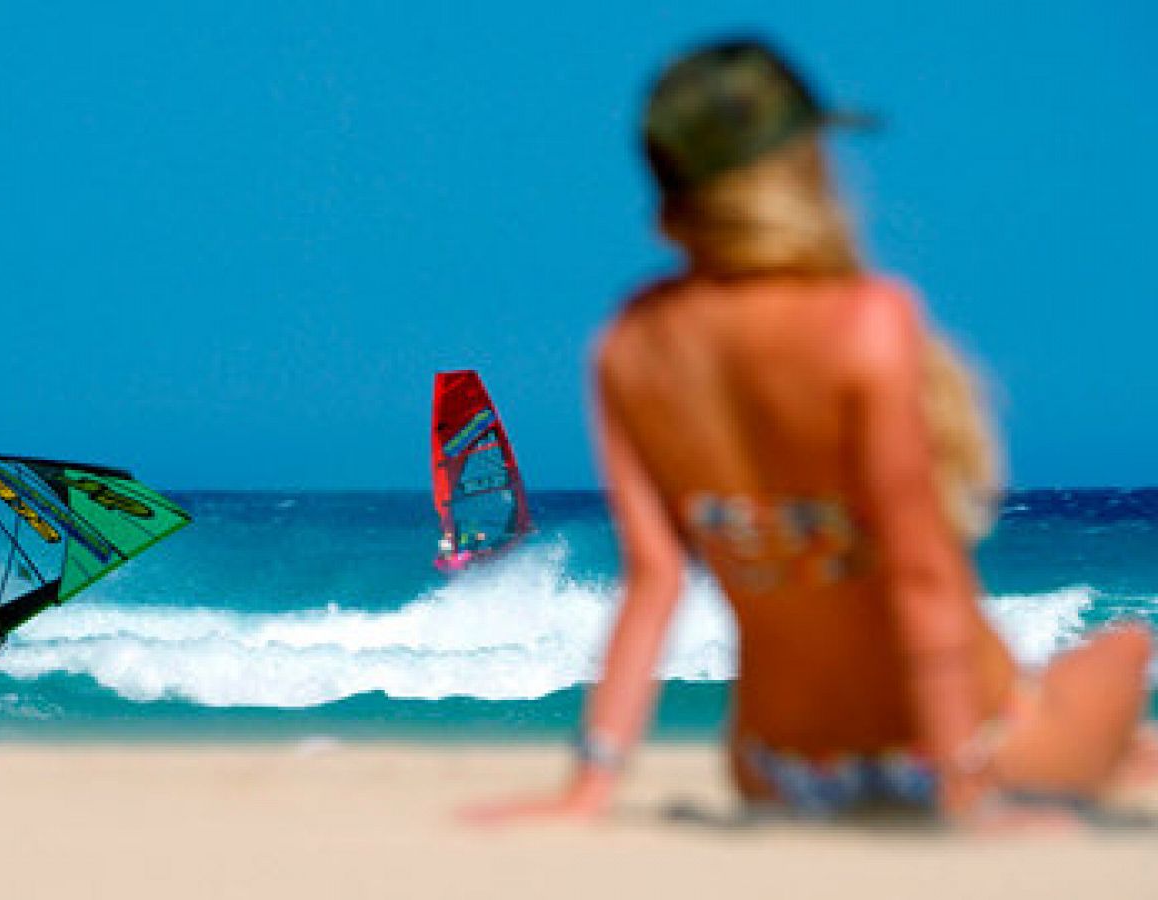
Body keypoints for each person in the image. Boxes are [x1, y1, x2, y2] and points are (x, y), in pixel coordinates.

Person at [472, 38, 1153, 823]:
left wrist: (590, 786)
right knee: (1126, 645)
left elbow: (653, 581)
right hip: (955, 751)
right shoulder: (869, 322)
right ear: (800, 166)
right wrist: (965, 790)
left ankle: (1116, 761)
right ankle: (1100, 759)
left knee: (1110, 736)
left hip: (779, 768)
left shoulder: (629, 346)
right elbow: (919, 570)